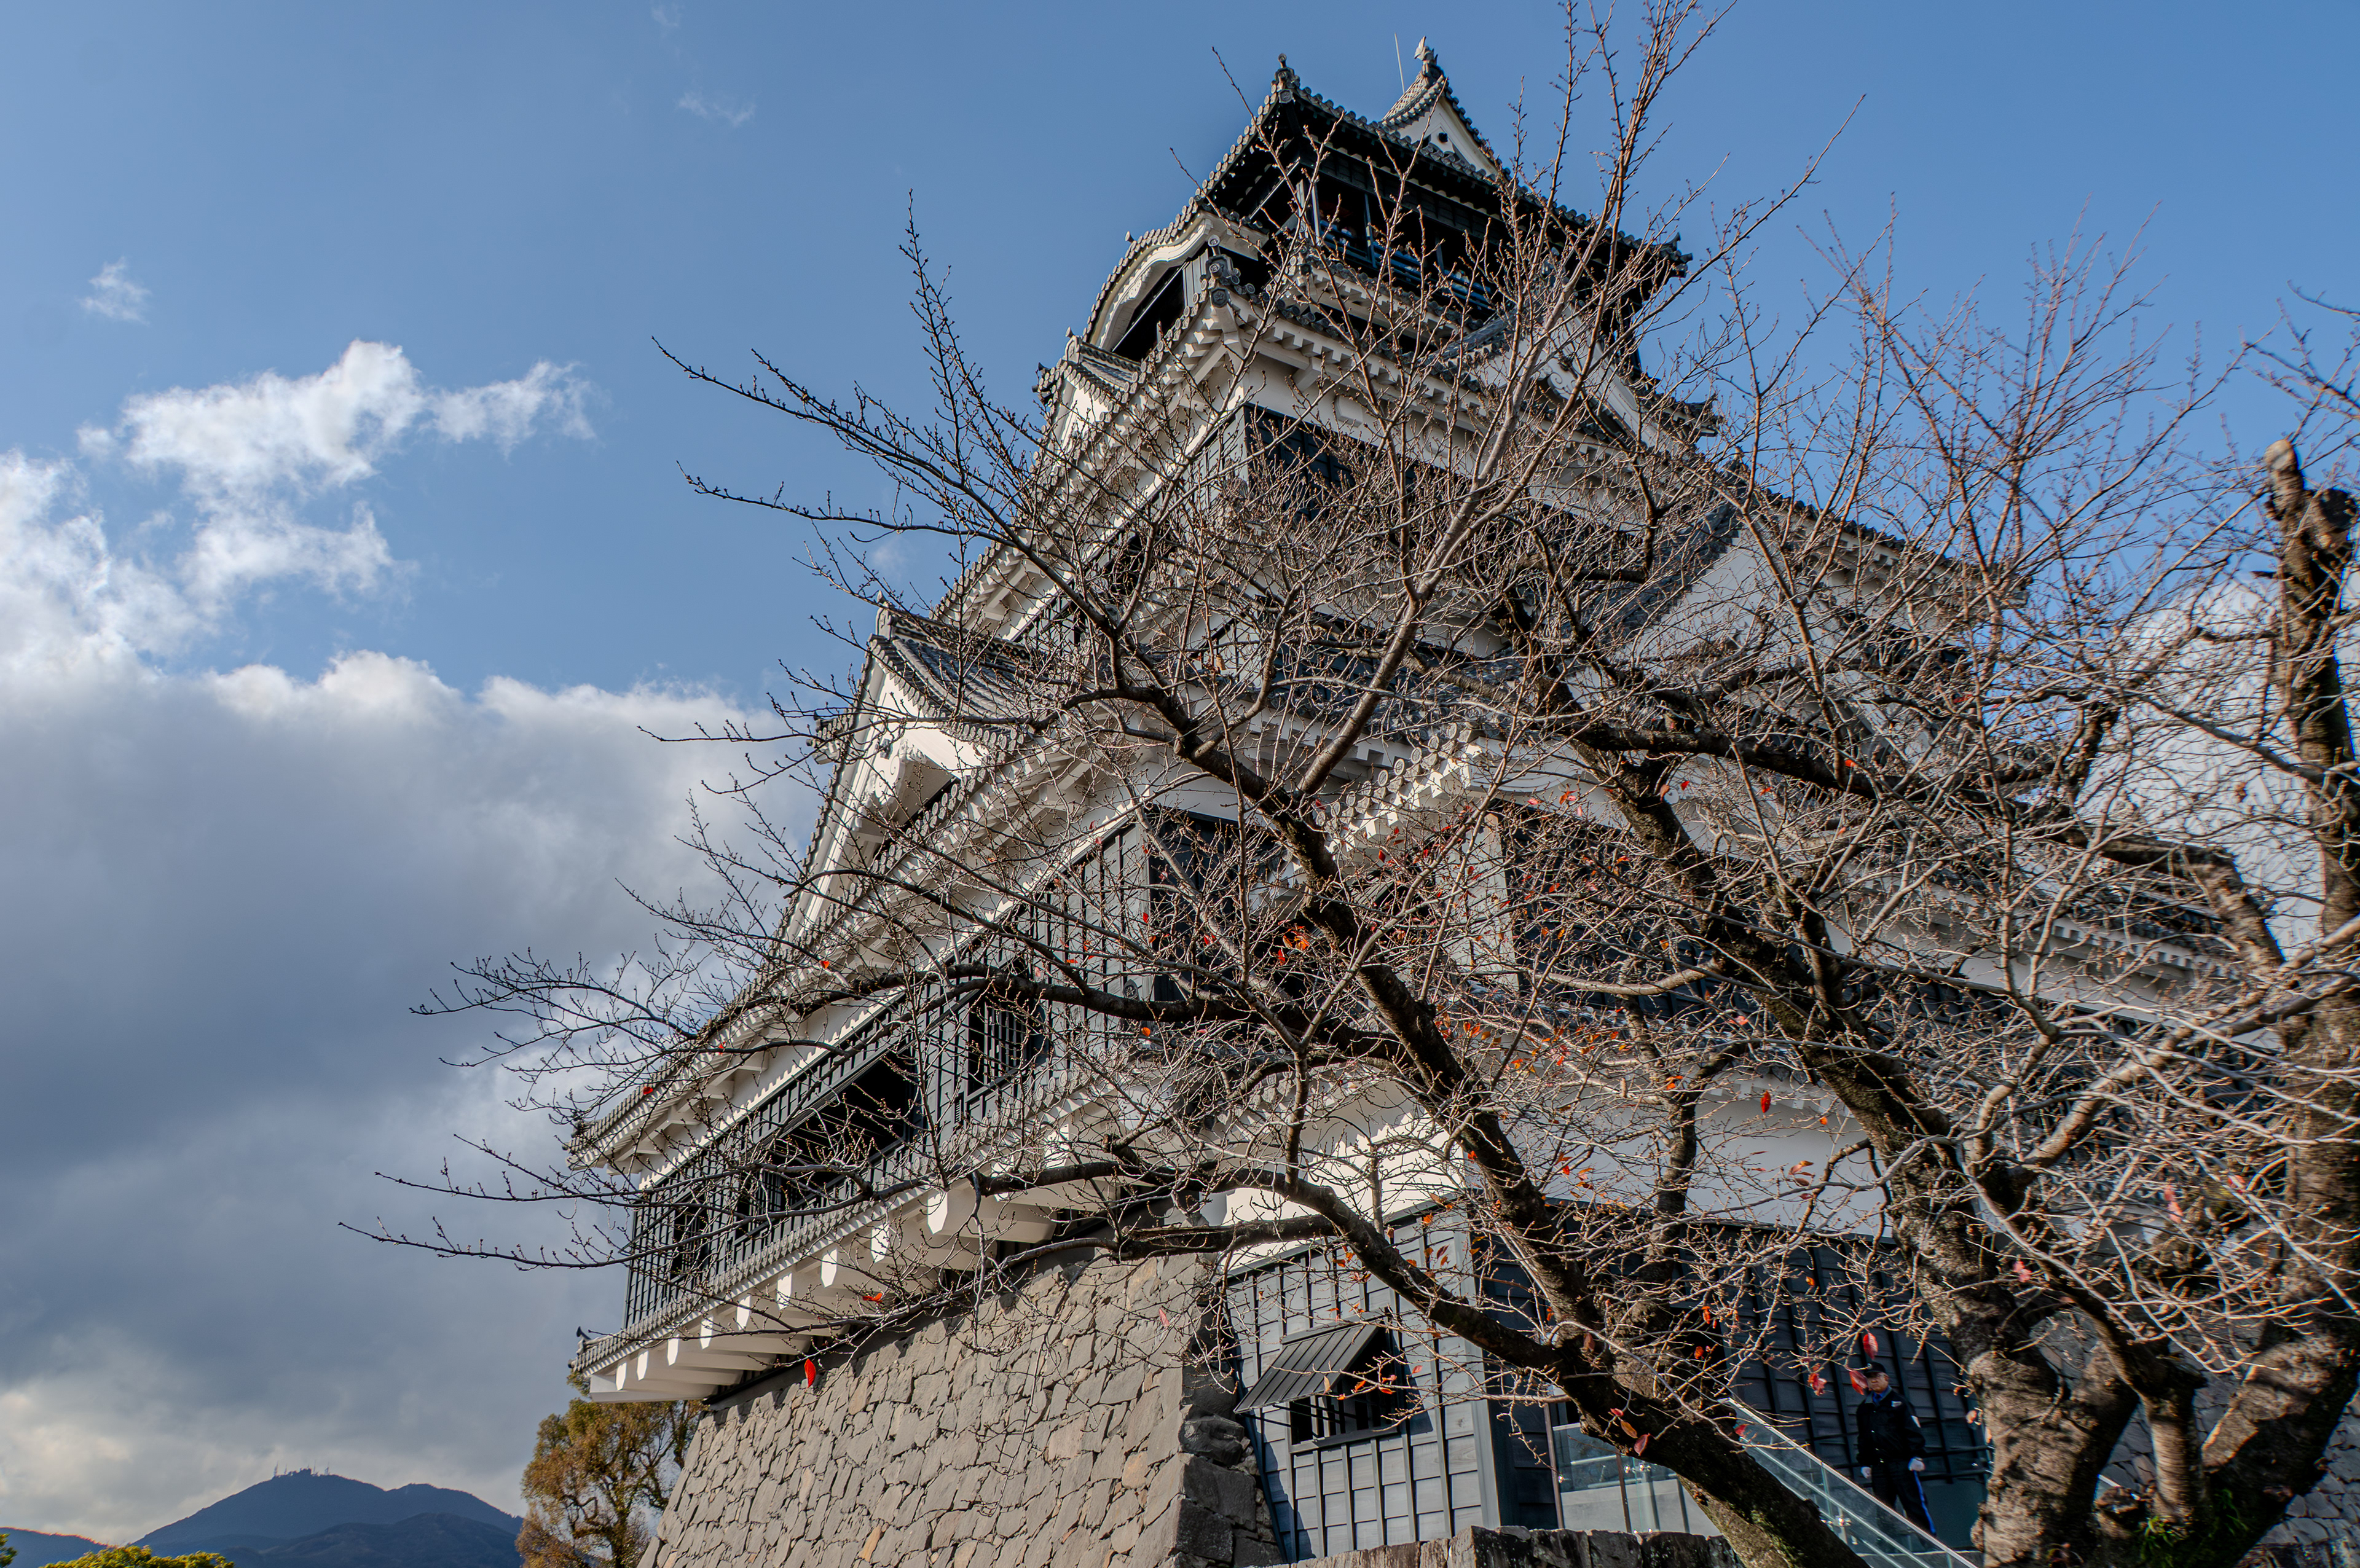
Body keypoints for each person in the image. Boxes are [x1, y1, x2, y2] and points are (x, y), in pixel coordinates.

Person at [1852, 1364, 1934, 1532]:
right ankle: (1889, 1547)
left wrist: (1917, 1456)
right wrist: (1865, 1463)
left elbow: (1913, 1430)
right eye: (1869, 1377)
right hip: (1879, 1466)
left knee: (1914, 1504)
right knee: (1883, 1507)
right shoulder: (1864, 1408)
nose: (1873, 1380)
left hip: (1902, 1463)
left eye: (1877, 1376)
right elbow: (1864, 1437)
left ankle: (1931, 1545)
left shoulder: (1900, 1403)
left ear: (1886, 1378)